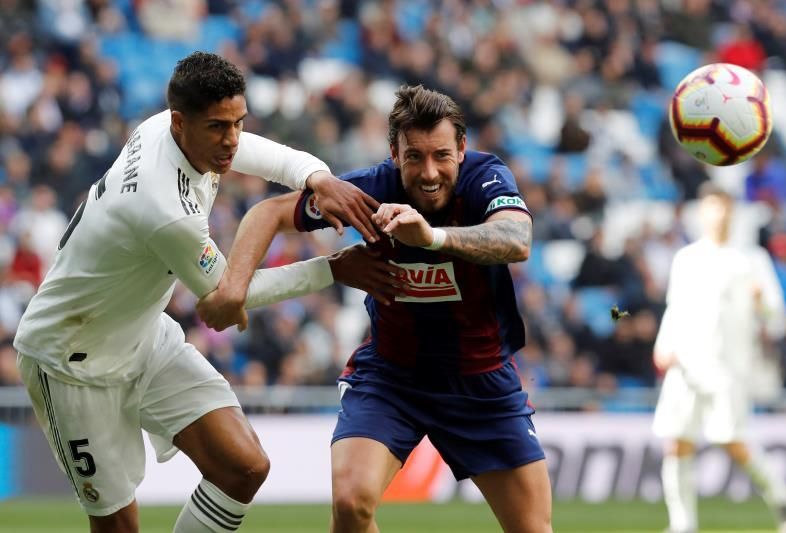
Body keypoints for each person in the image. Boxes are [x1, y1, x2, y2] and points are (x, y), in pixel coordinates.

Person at [12, 51, 396, 533]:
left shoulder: (169, 129)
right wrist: (333, 270)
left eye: (237, 122)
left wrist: (319, 177)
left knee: (244, 467)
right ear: (180, 122)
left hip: (142, 333)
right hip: (70, 359)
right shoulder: (164, 207)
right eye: (218, 127)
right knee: (117, 527)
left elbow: (261, 153)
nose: (231, 139)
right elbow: (228, 297)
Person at [198, 85, 553, 533]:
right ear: (393, 153)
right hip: (392, 379)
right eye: (414, 157)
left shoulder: (486, 177)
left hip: (482, 385)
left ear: (462, 149)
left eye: (441, 155)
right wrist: (233, 288)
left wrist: (432, 238)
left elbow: (517, 240)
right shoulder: (368, 191)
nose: (429, 173)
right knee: (350, 505)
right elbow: (269, 213)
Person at [652, 183, 786, 533]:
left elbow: (776, 321)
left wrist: (762, 302)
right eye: (713, 207)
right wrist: (663, 344)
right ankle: (682, 523)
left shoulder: (751, 259)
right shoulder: (686, 258)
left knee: (732, 439)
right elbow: (675, 309)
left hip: (729, 366)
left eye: (725, 207)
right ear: (702, 212)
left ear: (733, 213)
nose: (719, 214)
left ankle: (779, 496)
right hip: (685, 362)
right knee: (677, 440)